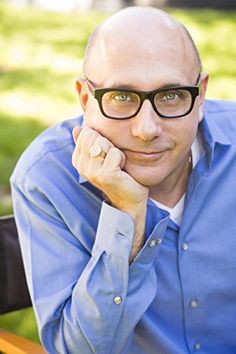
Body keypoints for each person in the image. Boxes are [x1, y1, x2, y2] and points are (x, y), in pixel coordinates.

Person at [10, 6, 236, 354]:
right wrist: (127, 214)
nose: (146, 129)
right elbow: (79, 350)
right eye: (122, 97)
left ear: (201, 95)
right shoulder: (45, 180)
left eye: (171, 95)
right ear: (86, 99)